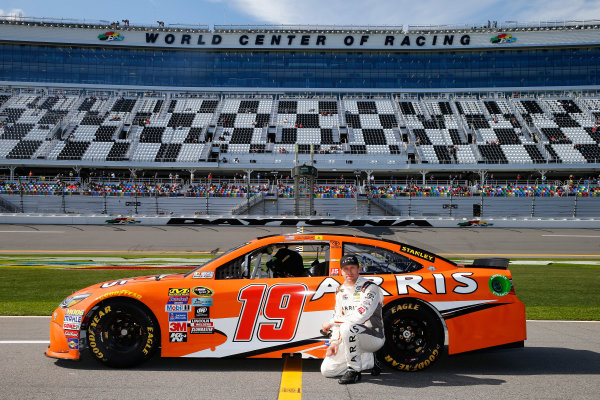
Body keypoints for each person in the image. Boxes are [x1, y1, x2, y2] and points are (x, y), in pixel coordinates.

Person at [320, 255, 385, 384]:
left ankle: (354, 370)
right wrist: (334, 342)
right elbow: (338, 316)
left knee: (348, 327)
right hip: (350, 337)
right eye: (345, 269)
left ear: (359, 269)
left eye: (352, 268)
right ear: (341, 271)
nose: (349, 272)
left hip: (373, 337)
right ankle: (369, 360)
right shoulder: (340, 290)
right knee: (327, 370)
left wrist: (331, 322)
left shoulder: (370, 288)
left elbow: (361, 316)